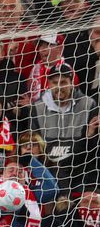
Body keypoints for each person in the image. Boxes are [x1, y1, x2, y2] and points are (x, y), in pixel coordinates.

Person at [31, 63, 98, 194]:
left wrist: (90, 135)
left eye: (63, 82)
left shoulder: (88, 104)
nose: (59, 87)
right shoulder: (38, 107)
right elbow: (35, 142)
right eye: (55, 83)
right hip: (50, 171)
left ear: (71, 82)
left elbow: (94, 150)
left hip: (80, 171)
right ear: (49, 84)